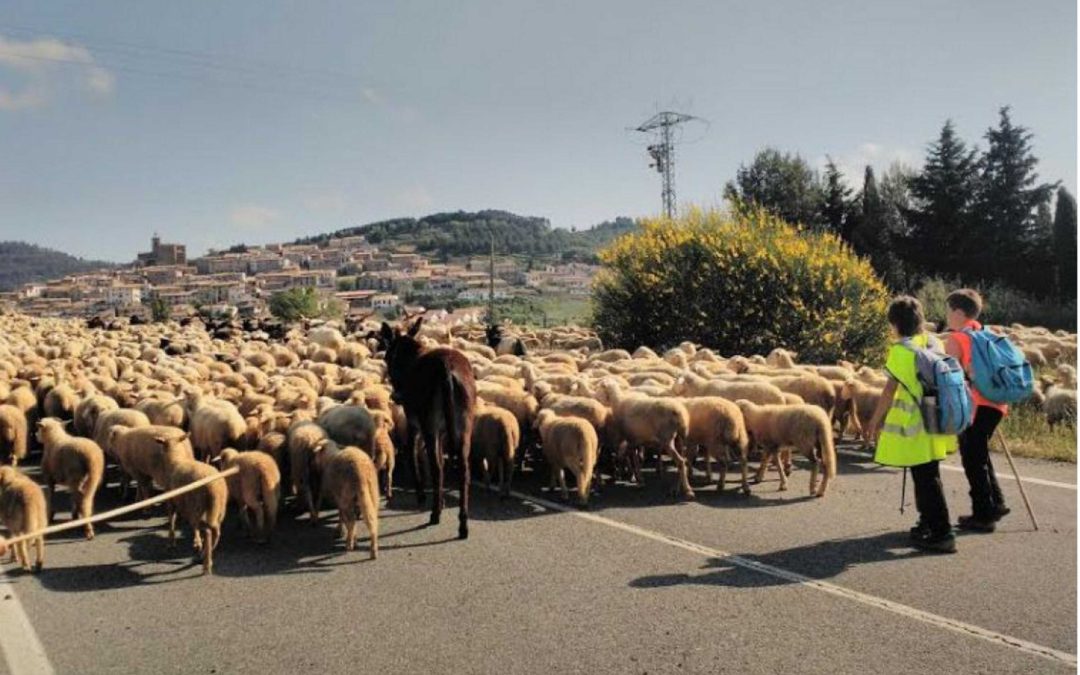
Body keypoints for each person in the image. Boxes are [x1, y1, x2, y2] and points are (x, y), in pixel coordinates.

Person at [866, 296, 958, 553]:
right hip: (936, 414)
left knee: (926, 477)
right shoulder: (934, 341)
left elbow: (889, 389)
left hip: (915, 421)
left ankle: (942, 532)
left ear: (894, 324)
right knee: (928, 473)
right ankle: (926, 523)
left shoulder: (900, 351)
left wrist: (875, 420)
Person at [944, 288, 1009, 532]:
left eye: (949, 311)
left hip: (975, 405)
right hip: (997, 403)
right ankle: (996, 503)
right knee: (979, 455)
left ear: (959, 313)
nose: (947, 316)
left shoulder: (957, 338)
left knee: (972, 458)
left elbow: (951, 377)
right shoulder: (987, 333)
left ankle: (983, 515)